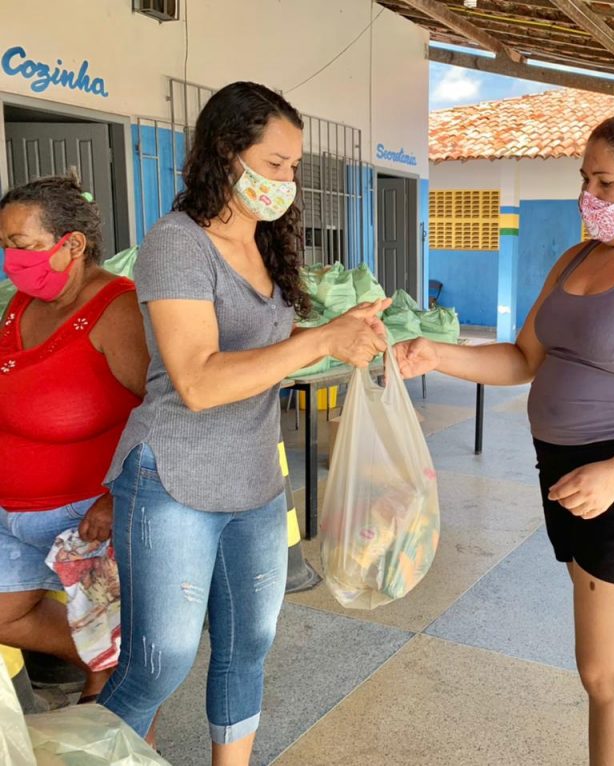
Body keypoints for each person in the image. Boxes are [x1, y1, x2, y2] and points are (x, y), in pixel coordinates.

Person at [396, 105, 614, 766]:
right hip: (569, 475)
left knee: (602, 673)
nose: (590, 196)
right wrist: (436, 354)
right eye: (585, 179)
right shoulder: (574, 260)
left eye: (607, 183)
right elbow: (522, 359)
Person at [97, 82, 389, 765]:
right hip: (175, 477)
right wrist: (318, 342)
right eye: (274, 163)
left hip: (255, 476)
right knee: (159, 664)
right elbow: (198, 381)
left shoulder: (264, 241)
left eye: (294, 166)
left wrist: (342, 333)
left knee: (247, 646)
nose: (286, 180)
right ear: (226, 153)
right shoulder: (177, 244)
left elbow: (266, 349)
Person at [0, 176, 148, 702]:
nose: (11, 259)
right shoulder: (22, 303)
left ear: (73, 244)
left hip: (84, 518)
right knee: (6, 615)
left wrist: (117, 495)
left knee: (111, 645)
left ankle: (116, 703)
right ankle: (106, 668)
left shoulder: (118, 309)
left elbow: (158, 409)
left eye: (22, 245)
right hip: (12, 511)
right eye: (5, 245)